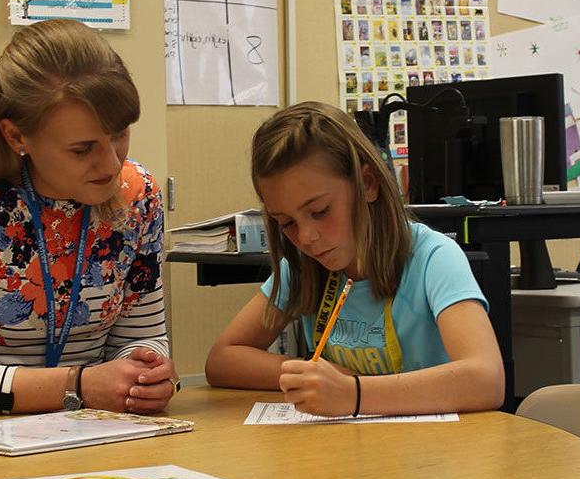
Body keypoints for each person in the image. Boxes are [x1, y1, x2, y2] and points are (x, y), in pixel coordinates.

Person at [0, 19, 177, 416]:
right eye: (82, 149)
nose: (111, 163)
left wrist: (144, 373)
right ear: (16, 137)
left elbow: (141, 336)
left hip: (95, 433)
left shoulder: (137, 194)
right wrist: (77, 386)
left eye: (120, 134)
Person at [205, 102, 504, 416]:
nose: (306, 237)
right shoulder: (303, 268)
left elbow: (487, 379)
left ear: (368, 184)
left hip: (434, 455)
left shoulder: (432, 258)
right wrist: (314, 376)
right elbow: (223, 358)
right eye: (287, 222)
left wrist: (354, 394)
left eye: (320, 211)